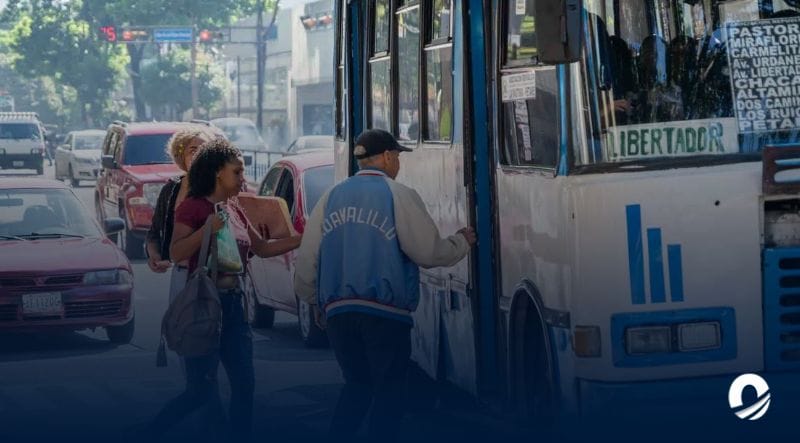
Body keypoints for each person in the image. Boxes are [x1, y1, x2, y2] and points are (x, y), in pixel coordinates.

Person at [294, 129, 477, 441]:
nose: (399, 164)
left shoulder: (330, 197)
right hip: (384, 314)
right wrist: (460, 242)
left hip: (339, 314)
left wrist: (315, 301)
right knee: (389, 391)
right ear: (389, 157)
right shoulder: (399, 195)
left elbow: (308, 257)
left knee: (357, 386)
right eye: (398, 157)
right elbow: (428, 252)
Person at [145, 138, 302, 441]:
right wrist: (207, 229)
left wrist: (305, 238)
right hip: (205, 307)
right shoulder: (193, 207)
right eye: (237, 172)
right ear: (218, 172)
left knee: (244, 385)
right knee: (200, 391)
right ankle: (148, 433)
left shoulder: (234, 208)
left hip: (234, 306)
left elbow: (262, 248)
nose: (243, 178)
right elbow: (176, 252)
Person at [146, 126, 218, 301]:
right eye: (192, 150)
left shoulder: (220, 188)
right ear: (181, 157)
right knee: (180, 317)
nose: (198, 155)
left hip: (214, 275)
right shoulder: (171, 189)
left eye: (204, 150)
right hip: (180, 273)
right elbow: (154, 233)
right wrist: (155, 256)